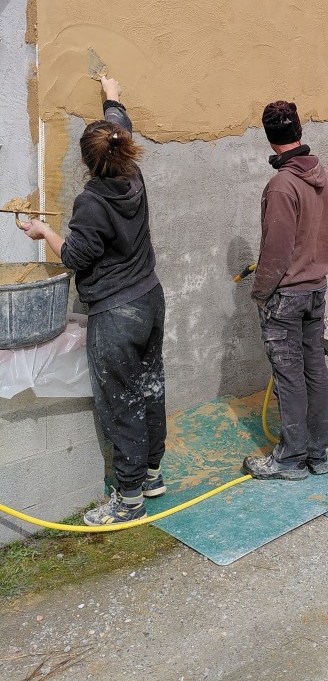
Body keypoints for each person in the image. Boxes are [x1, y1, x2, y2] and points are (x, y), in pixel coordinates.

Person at [22, 76, 167, 524]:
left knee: (121, 403)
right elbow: (119, 130)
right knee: (150, 387)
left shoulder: (91, 202)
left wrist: (43, 231)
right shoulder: (133, 174)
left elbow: (75, 256)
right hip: (149, 298)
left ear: (87, 162)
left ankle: (129, 499)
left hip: (117, 314)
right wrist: (112, 98)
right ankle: (151, 474)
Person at [243, 101, 328, 481]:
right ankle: (317, 453)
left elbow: (276, 252)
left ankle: (290, 459)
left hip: (287, 296)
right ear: (299, 130)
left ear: (269, 137)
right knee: (315, 369)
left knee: (290, 376)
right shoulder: (322, 177)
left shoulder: (282, 185)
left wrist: (260, 293)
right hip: (315, 290)